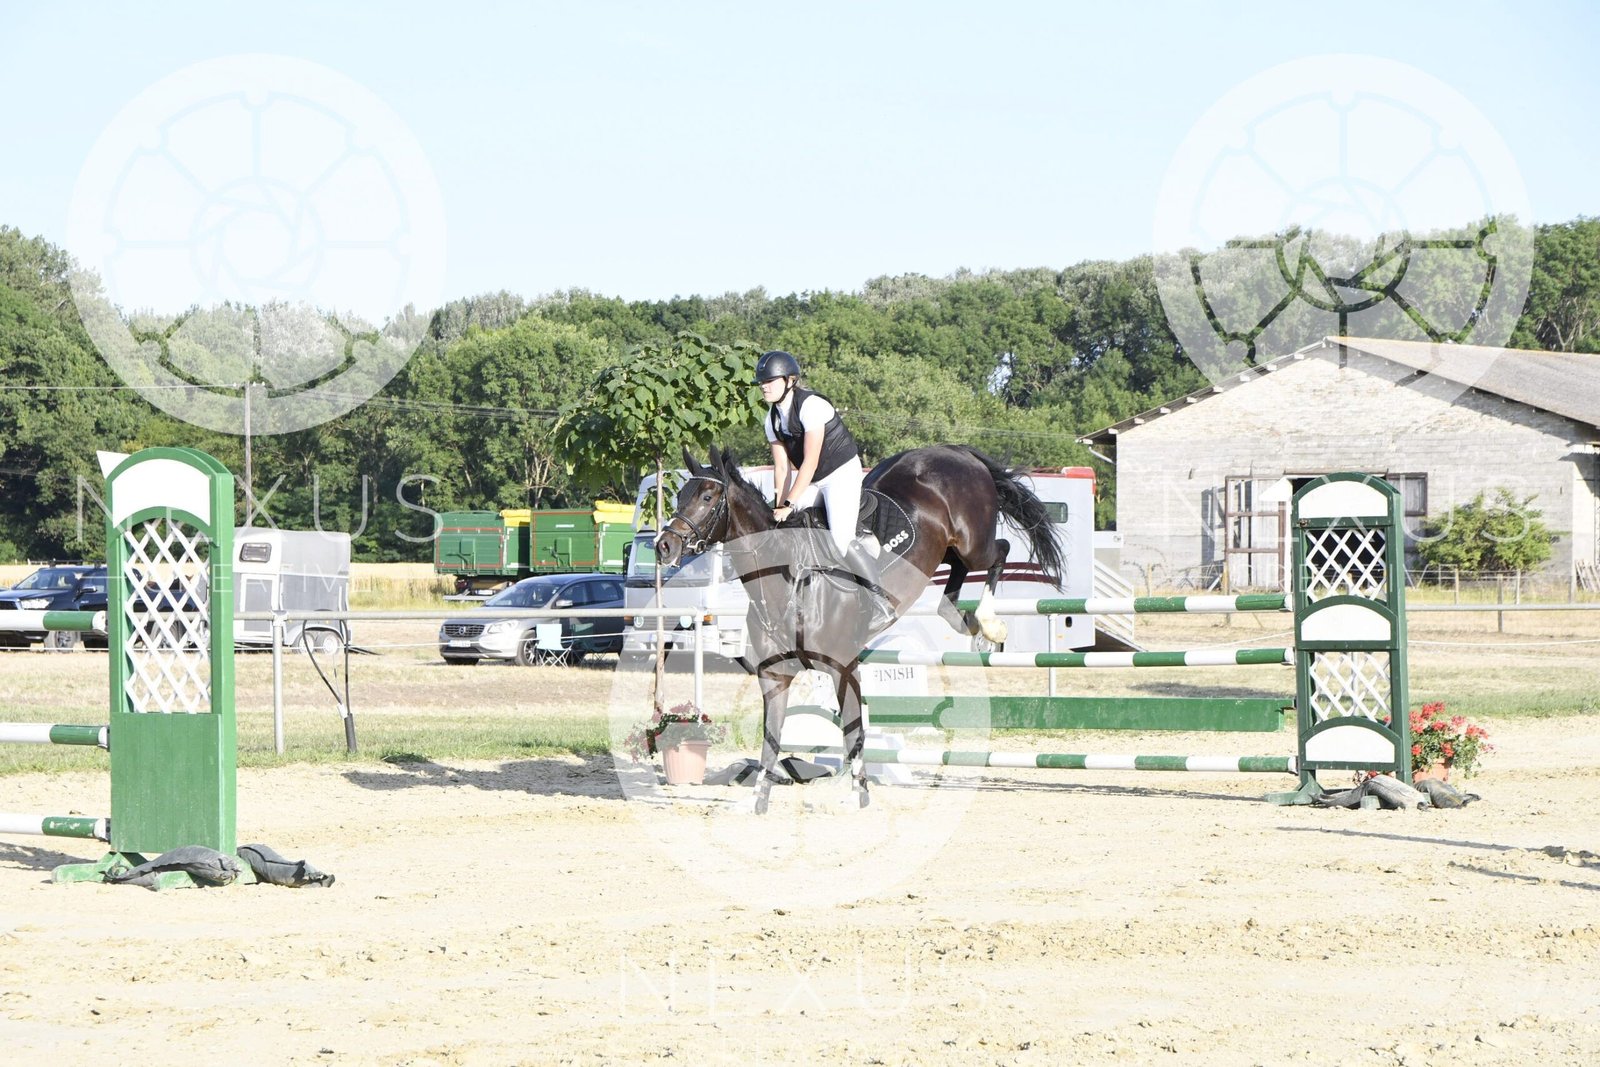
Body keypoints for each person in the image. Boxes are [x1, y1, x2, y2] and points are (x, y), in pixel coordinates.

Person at [756, 349, 893, 628]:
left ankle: (882, 602)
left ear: (789, 380)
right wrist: (779, 507)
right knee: (787, 528)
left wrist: (789, 503)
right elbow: (781, 469)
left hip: (841, 473)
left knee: (840, 539)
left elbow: (809, 462)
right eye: (762, 382)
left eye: (770, 381)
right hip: (815, 479)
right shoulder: (772, 419)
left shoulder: (811, 406)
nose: (764, 386)